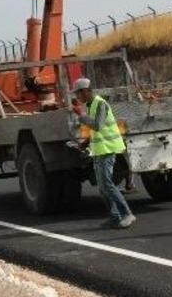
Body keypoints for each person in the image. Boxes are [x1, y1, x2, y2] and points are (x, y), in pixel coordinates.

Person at [71, 78, 136, 229]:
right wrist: (85, 143)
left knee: (107, 184)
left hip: (109, 148)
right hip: (99, 150)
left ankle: (127, 214)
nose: (77, 97)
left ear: (86, 91)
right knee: (102, 187)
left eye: (78, 93)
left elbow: (97, 125)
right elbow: (95, 130)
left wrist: (80, 115)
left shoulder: (100, 103)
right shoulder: (90, 104)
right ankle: (114, 217)